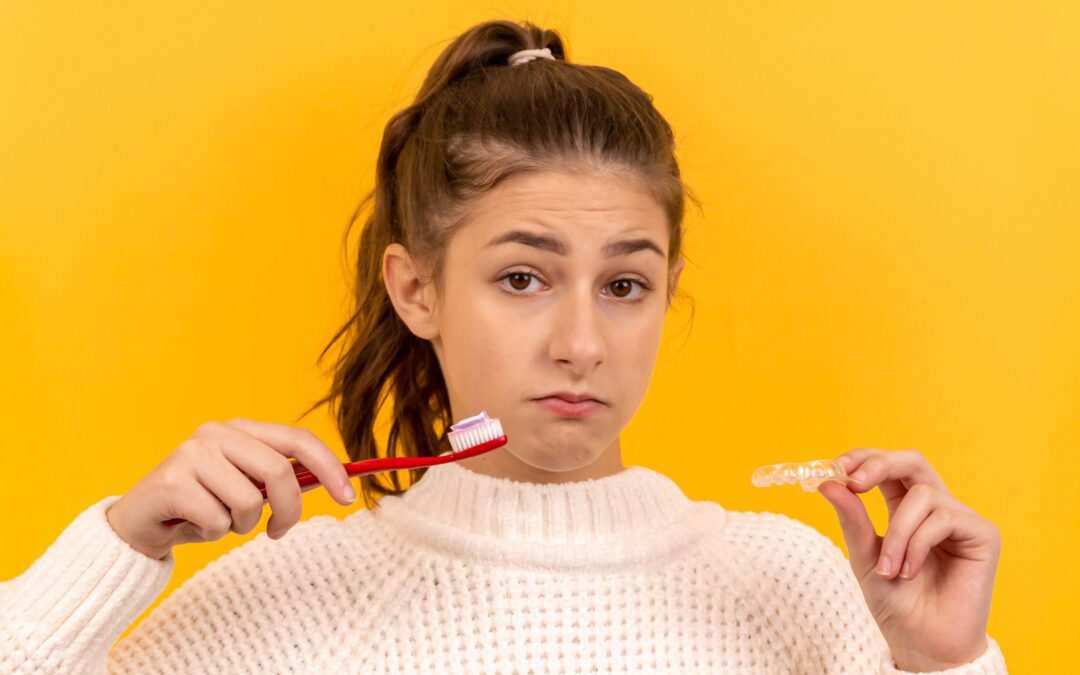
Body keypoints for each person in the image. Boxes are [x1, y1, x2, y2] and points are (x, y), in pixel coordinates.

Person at [0, 19, 1008, 674]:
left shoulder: (810, 590)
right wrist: (118, 548)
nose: (581, 343)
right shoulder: (289, 596)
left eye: (625, 285)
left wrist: (944, 666)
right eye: (522, 278)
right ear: (417, 289)